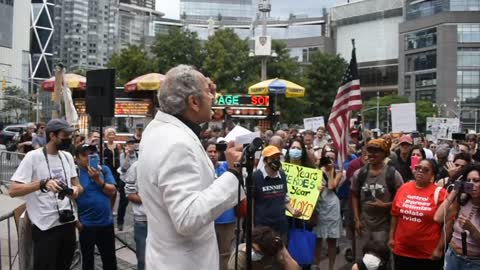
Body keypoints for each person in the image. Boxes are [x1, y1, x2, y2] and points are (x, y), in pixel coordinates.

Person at [137, 65, 245, 270]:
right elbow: (187, 218)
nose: (214, 96)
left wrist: (203, 88)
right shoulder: (177, 143)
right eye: (208, 92)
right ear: (193, 102)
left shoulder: (159, 130)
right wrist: (233, 174)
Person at [9, 119, 83, 270]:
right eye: (65, 135)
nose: (68, 139)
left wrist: (75, 191)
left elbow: (78, 185)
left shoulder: (67, 157)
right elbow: (13, 190)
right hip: (45, 227)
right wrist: (42, 183)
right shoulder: (33, 157)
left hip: (67, 222)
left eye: (70, 135)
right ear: (52, 136)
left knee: (64, 265)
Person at [350, 138, 404, 260]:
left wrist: (386, 205)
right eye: (369, 150)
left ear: (384, 154)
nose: (371, 154)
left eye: (376, 151)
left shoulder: (393, 175)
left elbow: (402, 199)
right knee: (362, 259)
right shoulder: (359, 174)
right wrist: (357, 219)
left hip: (384, 227)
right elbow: (354, 195)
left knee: (381, 259)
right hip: (363, 226)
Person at [389, 159, 446, 269]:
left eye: (425, 170)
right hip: (402, 250)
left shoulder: (440, 193)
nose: (420, 171)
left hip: (427, 254)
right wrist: (391, 238)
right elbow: (395, 214)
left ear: (432, 175)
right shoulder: (404, 188)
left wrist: (439, 248)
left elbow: (447, 224)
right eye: (418, 168)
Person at [74, 144, 117, 270]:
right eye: (84, 155)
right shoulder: (75, 174)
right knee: (87, 262)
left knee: (110, 260)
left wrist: (98, 180)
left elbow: (112, 191)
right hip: (86, 225)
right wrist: (77, 223)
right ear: (76, 159)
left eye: (91, 154)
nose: (88, 158)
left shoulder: (103, 169)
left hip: (106, 223)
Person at [434, 163, 480, 269]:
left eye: (476, 181)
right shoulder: (462, 201)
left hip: (474, 262)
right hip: (453, 256)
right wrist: (454, 191)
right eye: (468, 181)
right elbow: (438, 218)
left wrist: (472, 229)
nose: (471, 184)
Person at [254, 145, 302, 238]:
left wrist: (293, 211)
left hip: (280, 225)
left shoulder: (283, 175)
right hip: (262, 227)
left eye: (278, 158)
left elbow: (284, 199)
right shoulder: (256, 177)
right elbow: (251, 204)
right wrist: (252, 228)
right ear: (265, 160)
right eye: (272, 158)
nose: (276, 160)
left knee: (281, 250)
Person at [206, 142, 236, 270]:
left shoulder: (226, 167)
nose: (213, 154)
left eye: (215, 152)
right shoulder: (201, 170)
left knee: (225, 253)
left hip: (226, 219)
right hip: (208, 220)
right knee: (208, 253)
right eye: (210, 152)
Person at [313, 147, 342, 270]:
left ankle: (331, 267)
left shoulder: (339, 172)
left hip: (332, 208)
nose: (329, 160)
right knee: (318, 239)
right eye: (327, 157)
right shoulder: (316, 171)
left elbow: (331, 186)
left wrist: (330, 172)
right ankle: (316, 265)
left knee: (331, 240)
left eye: (332, 158)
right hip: (319, 205)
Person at [227, 226, 300, 270]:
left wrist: (283, 249)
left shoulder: (272, 251)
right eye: (252, 247)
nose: (253, 252)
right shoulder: (240, 256)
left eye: (257, 251)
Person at [124, 161, 147, 270]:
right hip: (143, 221)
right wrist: (153, 202)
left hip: (163, 222)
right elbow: (130, 193)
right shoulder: (136, 166)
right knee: (143, 260)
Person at [103, 128, 125, 230]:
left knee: (115, 191)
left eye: (113, 134)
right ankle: (107, 207)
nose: (111, 136)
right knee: (108, 190)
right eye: (109, 134)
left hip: (116, 170)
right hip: (108, 170)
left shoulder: (118, 146)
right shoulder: (103, 146)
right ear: (106, 136)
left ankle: (111, 209)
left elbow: (121, 157)